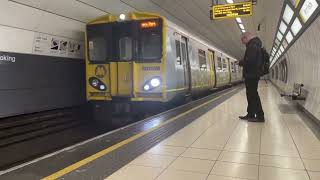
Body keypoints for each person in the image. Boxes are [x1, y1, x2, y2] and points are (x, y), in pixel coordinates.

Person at [237, 32, 265, 122]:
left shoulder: (252, 45)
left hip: (251, 74)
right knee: (250, 95)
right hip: (252, 74)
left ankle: (260, 116)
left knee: (253, 95)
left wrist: (241, 62)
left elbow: (250, 61)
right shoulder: (255, 44)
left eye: (243, 41)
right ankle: (251, 114)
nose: (243, 43)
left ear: (246, 38)